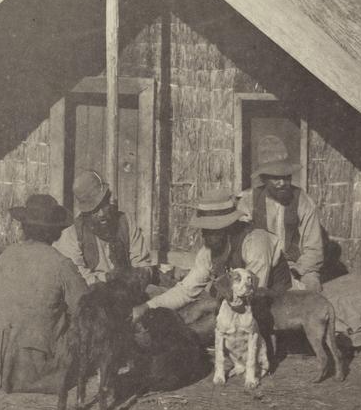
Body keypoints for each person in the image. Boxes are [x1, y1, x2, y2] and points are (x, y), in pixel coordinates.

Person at [0, 194, 89, 394]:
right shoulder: (61, 264)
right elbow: (85, 307)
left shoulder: (5, 256)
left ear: (24, 227)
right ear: (56, 232)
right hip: (35, 369)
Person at [131, 192, 290, 323]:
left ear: (228, 228)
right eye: (204, 230)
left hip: (277, 306)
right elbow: (186, 290)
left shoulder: (255, 241)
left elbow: (251, 295)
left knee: (199, 326)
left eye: (211, 230)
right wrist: (146, 307)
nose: (204, 235)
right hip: (234, 307)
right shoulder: (209, 251)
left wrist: (205, 306)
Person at [236, 135, 324, 291]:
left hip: (296, 268)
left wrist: (296, 270)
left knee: (311, 290)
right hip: (260, 266)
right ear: (263, 178)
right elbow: (241, 245)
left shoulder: (304, 202)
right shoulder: (248, 202)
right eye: (275, 178)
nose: (282, 183)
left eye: (286, 177)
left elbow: (314, 249)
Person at [54, 170, 153, 286]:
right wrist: (109, 278)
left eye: (104, 205)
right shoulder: (72, 235)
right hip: (94, 293)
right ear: (85, 212)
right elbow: (77, 280)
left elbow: (142, 263)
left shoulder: (126, 222)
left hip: (129, 288)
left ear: (108, 201)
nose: (101, 214)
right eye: (94, 210)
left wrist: (142, 274)